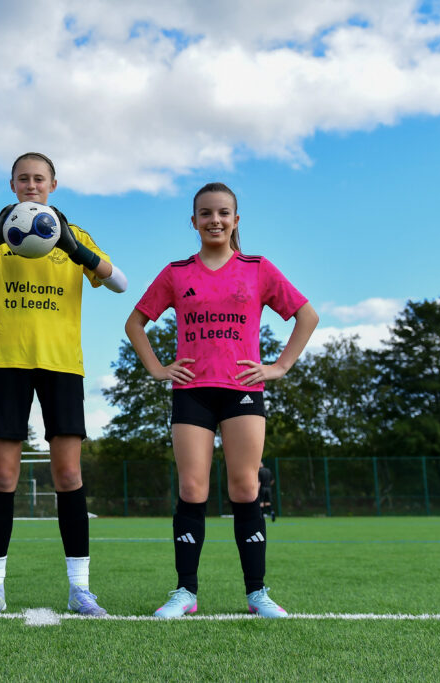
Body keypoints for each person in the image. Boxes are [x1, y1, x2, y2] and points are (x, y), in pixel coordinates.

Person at [0, 152, 128, 616]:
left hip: (63, 366)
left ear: (53, 185)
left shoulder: (75, 234)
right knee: (3, 475)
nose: (31, 185)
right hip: (8, 364)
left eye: (39, 178)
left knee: (69, 476)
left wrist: (77, 250)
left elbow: (120, 283)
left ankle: (80, 589)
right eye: (23, 179)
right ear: (12, 185)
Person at [124, 182, 317, 619]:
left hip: (242, 389)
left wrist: (279, 366)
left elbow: (307, 315)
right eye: (206, 213)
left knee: (245, 486)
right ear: (193, 221)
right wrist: (158, 368)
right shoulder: (177, 273)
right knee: (192, 488)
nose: (215, 220)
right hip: (192, 391)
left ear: (236, 219)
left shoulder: (257, 268)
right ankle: (185, 592)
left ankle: (257, 593)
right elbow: (135, 323)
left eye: (223, 213)